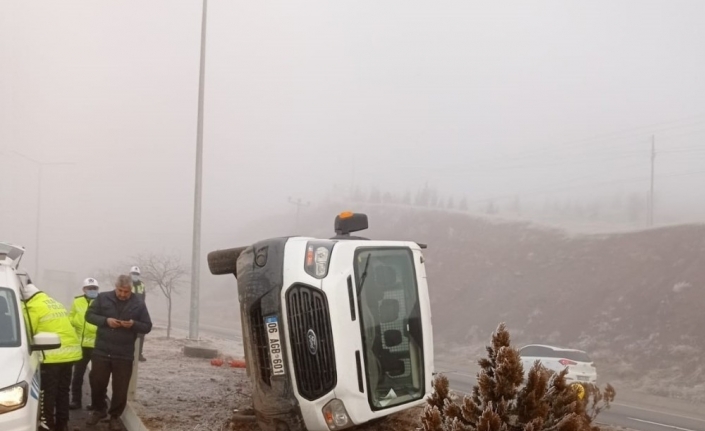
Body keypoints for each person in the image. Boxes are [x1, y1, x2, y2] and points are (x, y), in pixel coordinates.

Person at [85, 274, 152, 431]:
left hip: (124, 353)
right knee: (97, 382)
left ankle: (114, 417)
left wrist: (133, 324)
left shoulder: (138, 303)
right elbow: (89, 316)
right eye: (120, 290)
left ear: (130, 290)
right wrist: (105, 321)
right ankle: (99, 410)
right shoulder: (103, 298)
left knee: (120, 387)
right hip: (102, 350)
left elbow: (147, 326)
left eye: (126, 291)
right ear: (116, 287)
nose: (122, 294)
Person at [20, 282, 82, 431]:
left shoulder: (31, 307)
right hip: (70, 353)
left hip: (52, 355)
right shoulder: (51, 301)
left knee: (47, 392)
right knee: (63, 391)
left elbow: (27, 333)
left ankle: (47, 424)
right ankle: (63, 424)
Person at [68, 277, 100, 410]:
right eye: (90, 288)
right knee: (78, 375)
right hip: (80, 345)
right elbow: (71, 317)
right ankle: (76, 401)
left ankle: (96, 403)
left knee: (97, 377)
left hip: (96, 345)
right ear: (84, 289)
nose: (92, 290)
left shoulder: (102, 302)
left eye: (95, 288)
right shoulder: (77, 301)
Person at [129, 265, 147, 362]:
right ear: (130, 274)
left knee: (141, 334)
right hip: (128, 311)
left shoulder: (142, 285)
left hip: (139, 312)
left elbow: (143, 297)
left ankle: (139, 354)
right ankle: (129, 353)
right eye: (133, 274)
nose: (135, 275)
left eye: (137, 274)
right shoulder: (126, 283)